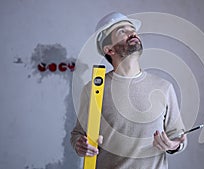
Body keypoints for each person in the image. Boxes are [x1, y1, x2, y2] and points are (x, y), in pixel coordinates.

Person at [70, 12, 187, 169]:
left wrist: (173, 145)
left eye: (132, 30)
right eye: (122, 31)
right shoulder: (94, 89)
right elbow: (77, 134)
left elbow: (178, 136)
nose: (132, 33)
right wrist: (80, 145)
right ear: (109, 49)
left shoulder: (164, 87)